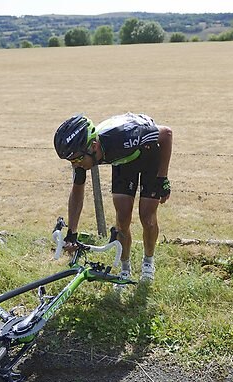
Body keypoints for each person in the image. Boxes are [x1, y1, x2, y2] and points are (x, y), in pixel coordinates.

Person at [53, 113, 172, 284]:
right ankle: (125, 269)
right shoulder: (83, 154)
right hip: (123, 161)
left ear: (94, 146)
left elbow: (167, 134)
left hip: (148, 152)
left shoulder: (125, 136)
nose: (75, 165)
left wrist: (163, 178)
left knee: (147, 217)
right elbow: (77, 190)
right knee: (122, 219)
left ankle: (148, 262)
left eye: (78, 159)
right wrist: (72, 233)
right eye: (71, 161)